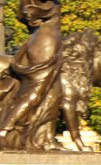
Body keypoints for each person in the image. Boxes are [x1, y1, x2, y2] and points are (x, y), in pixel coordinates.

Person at [0, 0, 63, 151]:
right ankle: (3, 130)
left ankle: (45, 139)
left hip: (45, 40)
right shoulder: (43, 5)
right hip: (45, 43)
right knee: (34, 93)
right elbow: (26, 12)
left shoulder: (49, 5)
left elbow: (25, 13)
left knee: (54, 93)